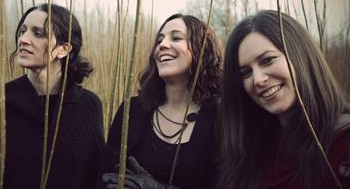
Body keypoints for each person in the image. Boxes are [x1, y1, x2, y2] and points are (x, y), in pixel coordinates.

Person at [0, 3, 105, 188]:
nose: (23, 39)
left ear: (63, 49)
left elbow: (95, 176)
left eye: (38, 33)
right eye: (22, 31)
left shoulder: (88, 106)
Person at [216, 10, 350, 189]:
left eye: (268, 60)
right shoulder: (251, 149)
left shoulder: (343, 143)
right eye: (246, 73)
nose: (258, 79)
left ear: (300, 55)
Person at [102, 14, 223, 189]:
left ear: (201, 49)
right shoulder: (132, 110)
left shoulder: (220, 119)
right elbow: (104, 175)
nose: (162, 45)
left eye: (176, 38)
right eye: (160, 40)